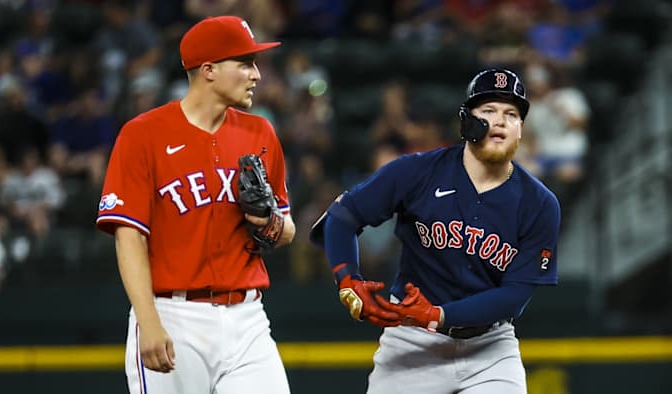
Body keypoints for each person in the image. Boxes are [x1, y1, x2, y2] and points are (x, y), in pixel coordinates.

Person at [311, 68, 561, 393]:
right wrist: (348, 279)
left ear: (521, 130)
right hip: (411, 340)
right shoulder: (417, 171)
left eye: (511, 114)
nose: (500, 120)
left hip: (490, 347)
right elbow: (342, 218)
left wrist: (438, 314)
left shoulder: (540, 202)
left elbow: (515, 296)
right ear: (466, 121)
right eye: (488, 111)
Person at [96, 16, 295, 394]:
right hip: (174, 314)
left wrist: (267, 220)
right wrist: (148, 320)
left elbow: (286, 230)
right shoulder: (143, 135)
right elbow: (128, 236)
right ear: (208, 70)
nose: (256, 74)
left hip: (247, 317)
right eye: (245, 63)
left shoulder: (260, 132)